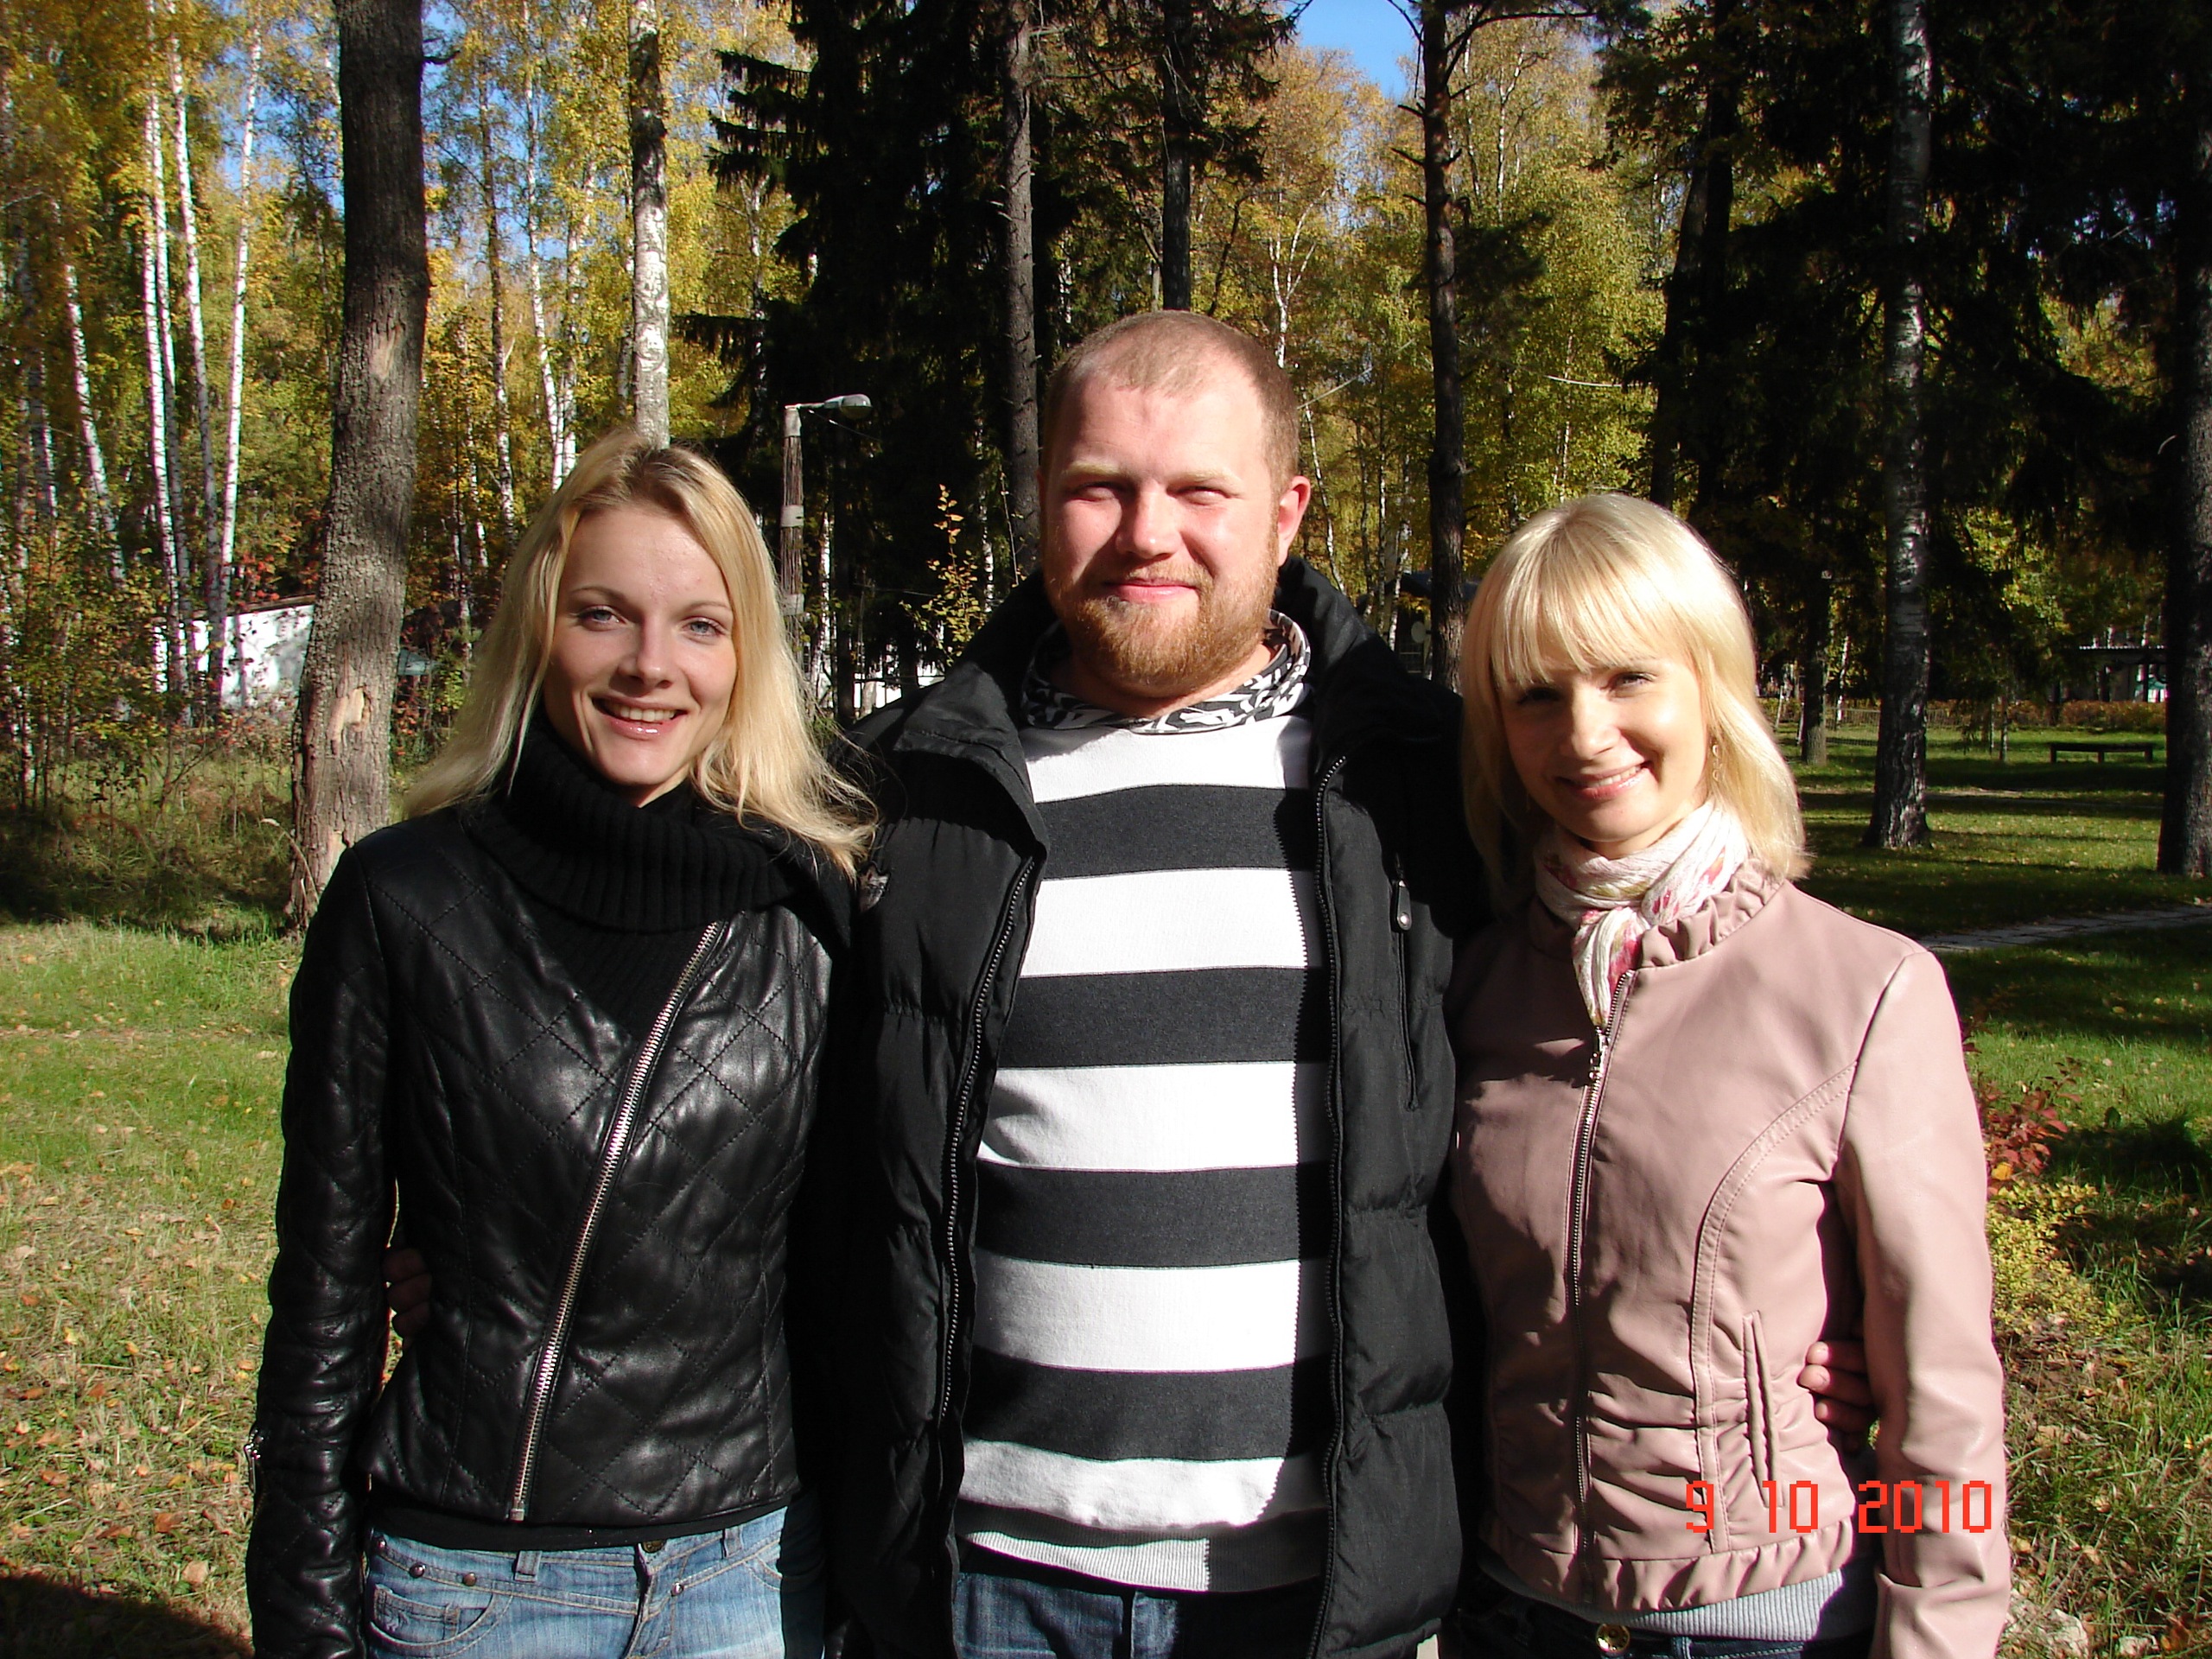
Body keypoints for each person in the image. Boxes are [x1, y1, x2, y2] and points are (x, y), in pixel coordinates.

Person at [246, 431, 868, 1659]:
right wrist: (304, 1610)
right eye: (603, 615)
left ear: (745, 656)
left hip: (752, 1578)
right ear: (540, 631)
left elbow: (855, 1261)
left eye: (700, 625)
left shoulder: (817, 912)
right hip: (481, 1580)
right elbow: (322, 1291)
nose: (650, 665)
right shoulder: (406, 900)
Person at [1444, 493, 2008, 1659]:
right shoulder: (1475, 988)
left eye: (1627, 678)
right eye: (1537, 694)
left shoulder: (1864, 991)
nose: (1584, 733)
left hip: (1768, 1623)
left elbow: (1944, 1389)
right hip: (1515, 1608)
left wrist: (1939, 1631)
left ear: (1712, 684)